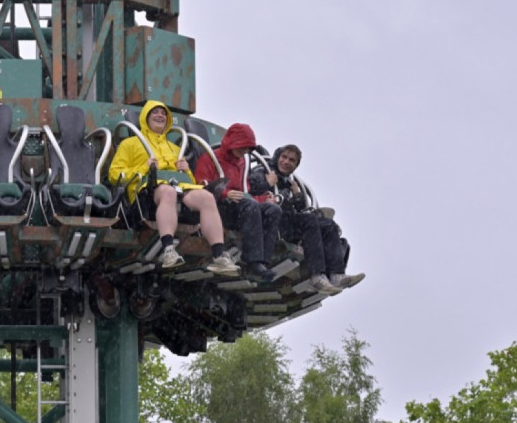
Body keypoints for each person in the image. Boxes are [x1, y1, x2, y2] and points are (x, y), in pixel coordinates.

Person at [108, 100, 240, 274]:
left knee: (206, 197)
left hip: (179, 187)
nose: (160, 115)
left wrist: (187, 172)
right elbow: (114, 174)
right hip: (146, 192)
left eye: (163, 113)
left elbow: (189, 182)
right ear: (145, 118)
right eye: (155, 112)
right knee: (168, 192)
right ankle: (168, 249)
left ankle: (219, 255)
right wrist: (144, 167)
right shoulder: (130, 144)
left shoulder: (175, 148)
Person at [249, 144, 365, 291]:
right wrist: (268, 183)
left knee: (329, 225)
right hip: (271, 222)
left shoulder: (289, 182)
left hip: (288, 222)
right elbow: (250, 190)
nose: (286, 162)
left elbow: (300, 208)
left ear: (295, 165)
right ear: (278, 156)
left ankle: (337, 274)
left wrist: (297, 195)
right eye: (284, 157)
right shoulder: (263, 170)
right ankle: (317, 275)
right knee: (308, 221)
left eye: (292, 160)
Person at [192, 123, 281, 280]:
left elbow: (245, 192)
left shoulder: (242, 163)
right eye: (242, 146)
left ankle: (262, 262)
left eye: (248, 148)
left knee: (272, 210)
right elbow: (201, 186)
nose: (245, 151)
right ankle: (252, 262)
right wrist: (225, 194)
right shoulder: (210, 158)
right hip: (219, 207)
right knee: (250, 206)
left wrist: (264, 199)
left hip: (241, 207)